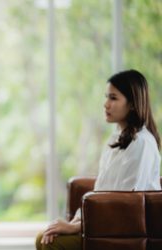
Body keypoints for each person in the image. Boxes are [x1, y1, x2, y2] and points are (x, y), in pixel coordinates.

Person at [36, 69, 161, 250]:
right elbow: (101, 191)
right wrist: (75, 221)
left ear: (133, 104)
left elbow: (125, 205)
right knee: (44, 237)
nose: (105, 104)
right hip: (105, 223)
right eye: (106, 97)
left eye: (113, 98)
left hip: (123, 230)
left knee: (49, 243)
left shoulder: (142, 143)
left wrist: (75, 227)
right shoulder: (116, 139)